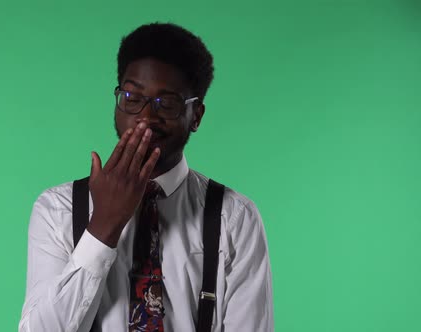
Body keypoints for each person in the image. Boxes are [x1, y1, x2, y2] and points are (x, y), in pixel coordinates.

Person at [18, 22, 274, 332]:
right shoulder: (58, 209)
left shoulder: (235, 218)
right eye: (132, 97)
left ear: (197, 116)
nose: (146, 118)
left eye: (166, 104)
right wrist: (103, 228)